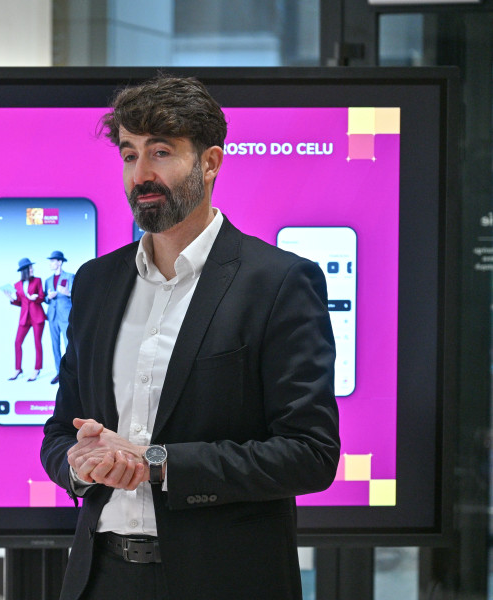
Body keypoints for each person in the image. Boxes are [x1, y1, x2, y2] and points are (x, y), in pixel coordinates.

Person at [40, 75, 340, 600]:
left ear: (210, 162)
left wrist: (155, 464)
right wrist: (80, 464)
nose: (141, 174)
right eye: (130, 155)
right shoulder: (95, 282)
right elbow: (60, 432)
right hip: (100, 578)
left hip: (224, 581)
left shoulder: (278, 282)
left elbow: (310, 453)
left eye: (161, 152)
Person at [9, 257, 46, 381]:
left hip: (37, 316)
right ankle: (18, 369)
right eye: (30, 268)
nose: (32, 269)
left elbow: (42, 297)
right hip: (25, 317)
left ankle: (37, 369)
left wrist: (36, 298)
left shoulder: (37, 281)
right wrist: (12, 299)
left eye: (32, 267)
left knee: (37, 342)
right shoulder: (17, 285)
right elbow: (21, 302)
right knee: (17, 342)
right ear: (24, 271)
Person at [43, 250, 74, 384]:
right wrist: (48, 297)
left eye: (52, 261)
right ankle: (58, 372)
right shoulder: (48, 280)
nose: (50, 263)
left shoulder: (70, 276)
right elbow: (45, 298)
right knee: (55, 345)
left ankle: (71, 372)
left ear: (60, 262)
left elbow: (75, 295)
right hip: (52, 316)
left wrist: (67, 292)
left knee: (68, 345)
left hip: (65, 315)